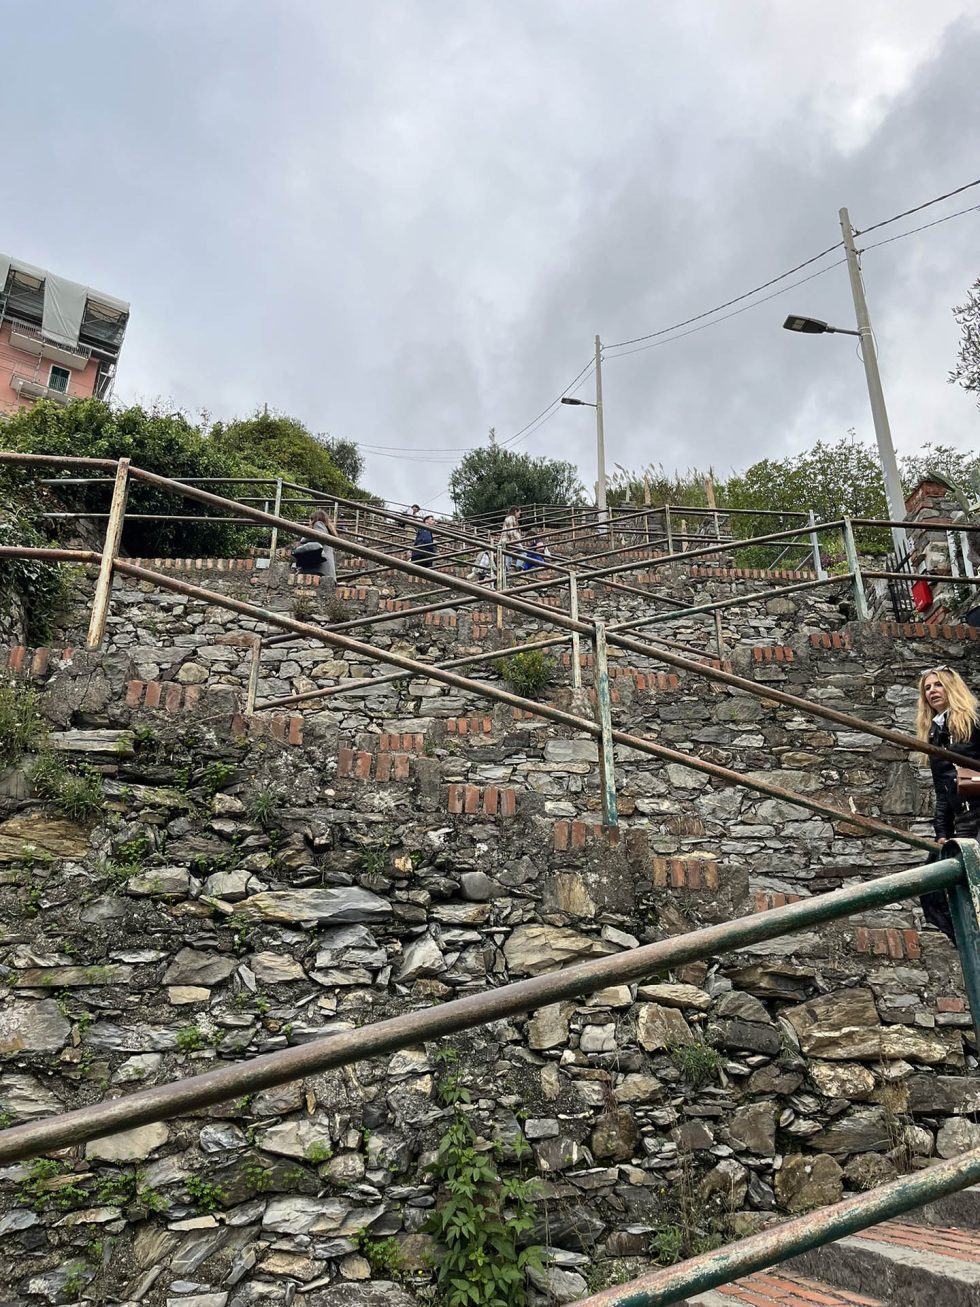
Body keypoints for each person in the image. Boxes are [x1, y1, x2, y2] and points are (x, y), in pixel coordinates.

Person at [916, 664, 980, 941]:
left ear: (951, 687)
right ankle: (970, 944)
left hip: (979, 814)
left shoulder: (974, 722)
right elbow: (943, 791)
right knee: (932, 893)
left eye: (938, 685)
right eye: (927, 688)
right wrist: (941, 832)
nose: (932, 691)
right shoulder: (935, 733)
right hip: (961, 821)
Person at [292, 508, 337, 585]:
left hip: (319, 569)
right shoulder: (328, 531)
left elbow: (319, 537)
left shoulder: (318, 524)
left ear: (314, 519)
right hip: (325, 570)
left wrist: (304, 537)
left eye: (310, 520)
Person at [500, 506, 522, 573]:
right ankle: (518, 566)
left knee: (508, 555)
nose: (519, 515)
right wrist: (518, 541)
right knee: (523, 552)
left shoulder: (509, 518)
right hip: (509, 540)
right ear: (515, 511)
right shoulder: (511, 518)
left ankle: (505, 571)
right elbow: (511, 532)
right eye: (519, 513)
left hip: (506, 541)